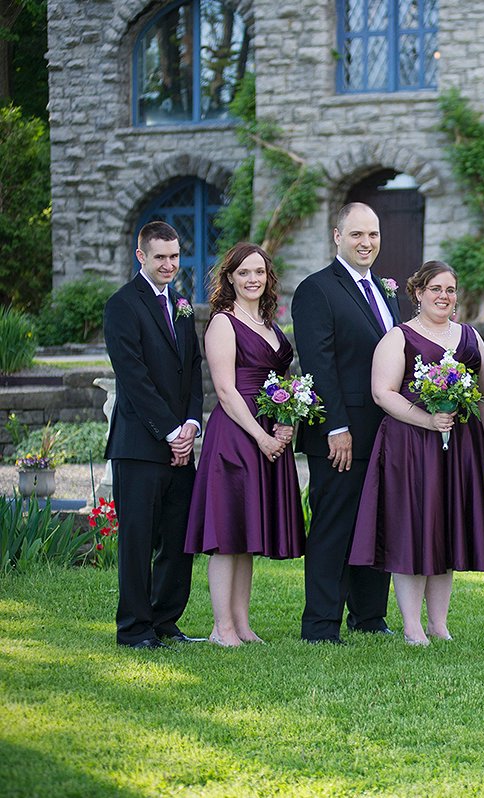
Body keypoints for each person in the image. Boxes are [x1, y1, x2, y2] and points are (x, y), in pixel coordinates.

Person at [349, 261, 484, 645]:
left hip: (460, 447)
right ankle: (411, 625)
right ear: (418, 293)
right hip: (411, 447)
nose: (444, 296)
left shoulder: (470, 337)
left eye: (450, 290)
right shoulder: (399, 337)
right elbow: (382, 392)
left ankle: (438, 622)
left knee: (447, 529)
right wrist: (426, 420)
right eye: (435, 289)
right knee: (413, 530)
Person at [184, 243, 305, 646]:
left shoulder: (271, 325)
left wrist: (285, 426)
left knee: (247, 532)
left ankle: (241, 623)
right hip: (236, 435)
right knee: (227, 532)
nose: (253, 279)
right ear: (230, 278)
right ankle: (221, 628)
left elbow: (284, 385)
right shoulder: (223, 322)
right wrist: (261, 436)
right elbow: (225, 389)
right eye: (244, 273)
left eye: (259, 272)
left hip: (271, 429)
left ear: (268, 277)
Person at [292, 202, 399, 644]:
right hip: (341, 432)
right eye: (357, 235)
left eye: (372, 235)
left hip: (387, 430)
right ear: (337, 236)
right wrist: (336, 426)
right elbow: (319, 365)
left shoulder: (388, 291)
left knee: (379, 521)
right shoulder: (317, 290)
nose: (366, 243)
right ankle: (320, 624)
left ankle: (370, 616)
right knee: (334, 524)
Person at [103, 221, 203, 649]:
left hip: (182, 444)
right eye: (160, 257)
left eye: (175, 257)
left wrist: (192, 426)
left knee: (179, 541)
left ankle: (165, 621)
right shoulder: (122, 305)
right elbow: (134, 378)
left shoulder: (181, 304)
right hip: (140, 446)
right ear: (140, 256)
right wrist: (169, 432)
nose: (169, 264)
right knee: (138, 541)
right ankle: (134, 628)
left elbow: (193, 371)